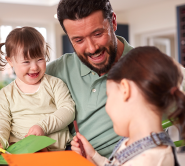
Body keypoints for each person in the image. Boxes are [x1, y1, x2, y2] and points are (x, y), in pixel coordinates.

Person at [46, 0, 133, 157]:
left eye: (98, 34)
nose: (92, 48)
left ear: (113, 22)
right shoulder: (57, 70)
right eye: (78, 40)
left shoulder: (149, 67)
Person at [71, 46, 183, 166]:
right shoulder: (134, 141)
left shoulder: (148, 160)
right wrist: (93, 156)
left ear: (125, 90)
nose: (107, 107)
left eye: (109, 96)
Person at [0, 26, 75, 157]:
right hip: (23, 155)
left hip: (60, 151)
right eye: (26, 61)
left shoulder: (55, 84)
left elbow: (68, 110)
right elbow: (0, 122)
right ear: (10, 61)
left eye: (40, 59)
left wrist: (43, 126)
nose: (34, 67)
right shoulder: (6, 94)